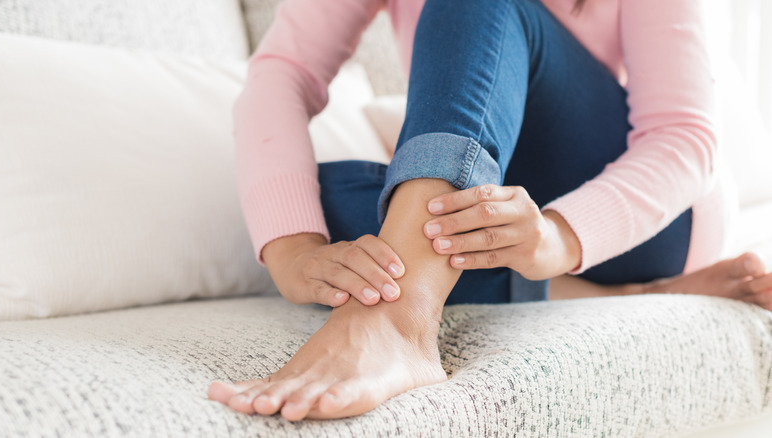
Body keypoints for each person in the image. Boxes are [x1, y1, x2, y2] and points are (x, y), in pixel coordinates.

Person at [208, 0, 772, 422]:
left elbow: (682, 138)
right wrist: (292, 250)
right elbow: (282, 71)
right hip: (491, 196)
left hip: (650, 216)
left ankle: (398, 322)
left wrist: (558, 237)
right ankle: (615, 295)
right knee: (320, 199)